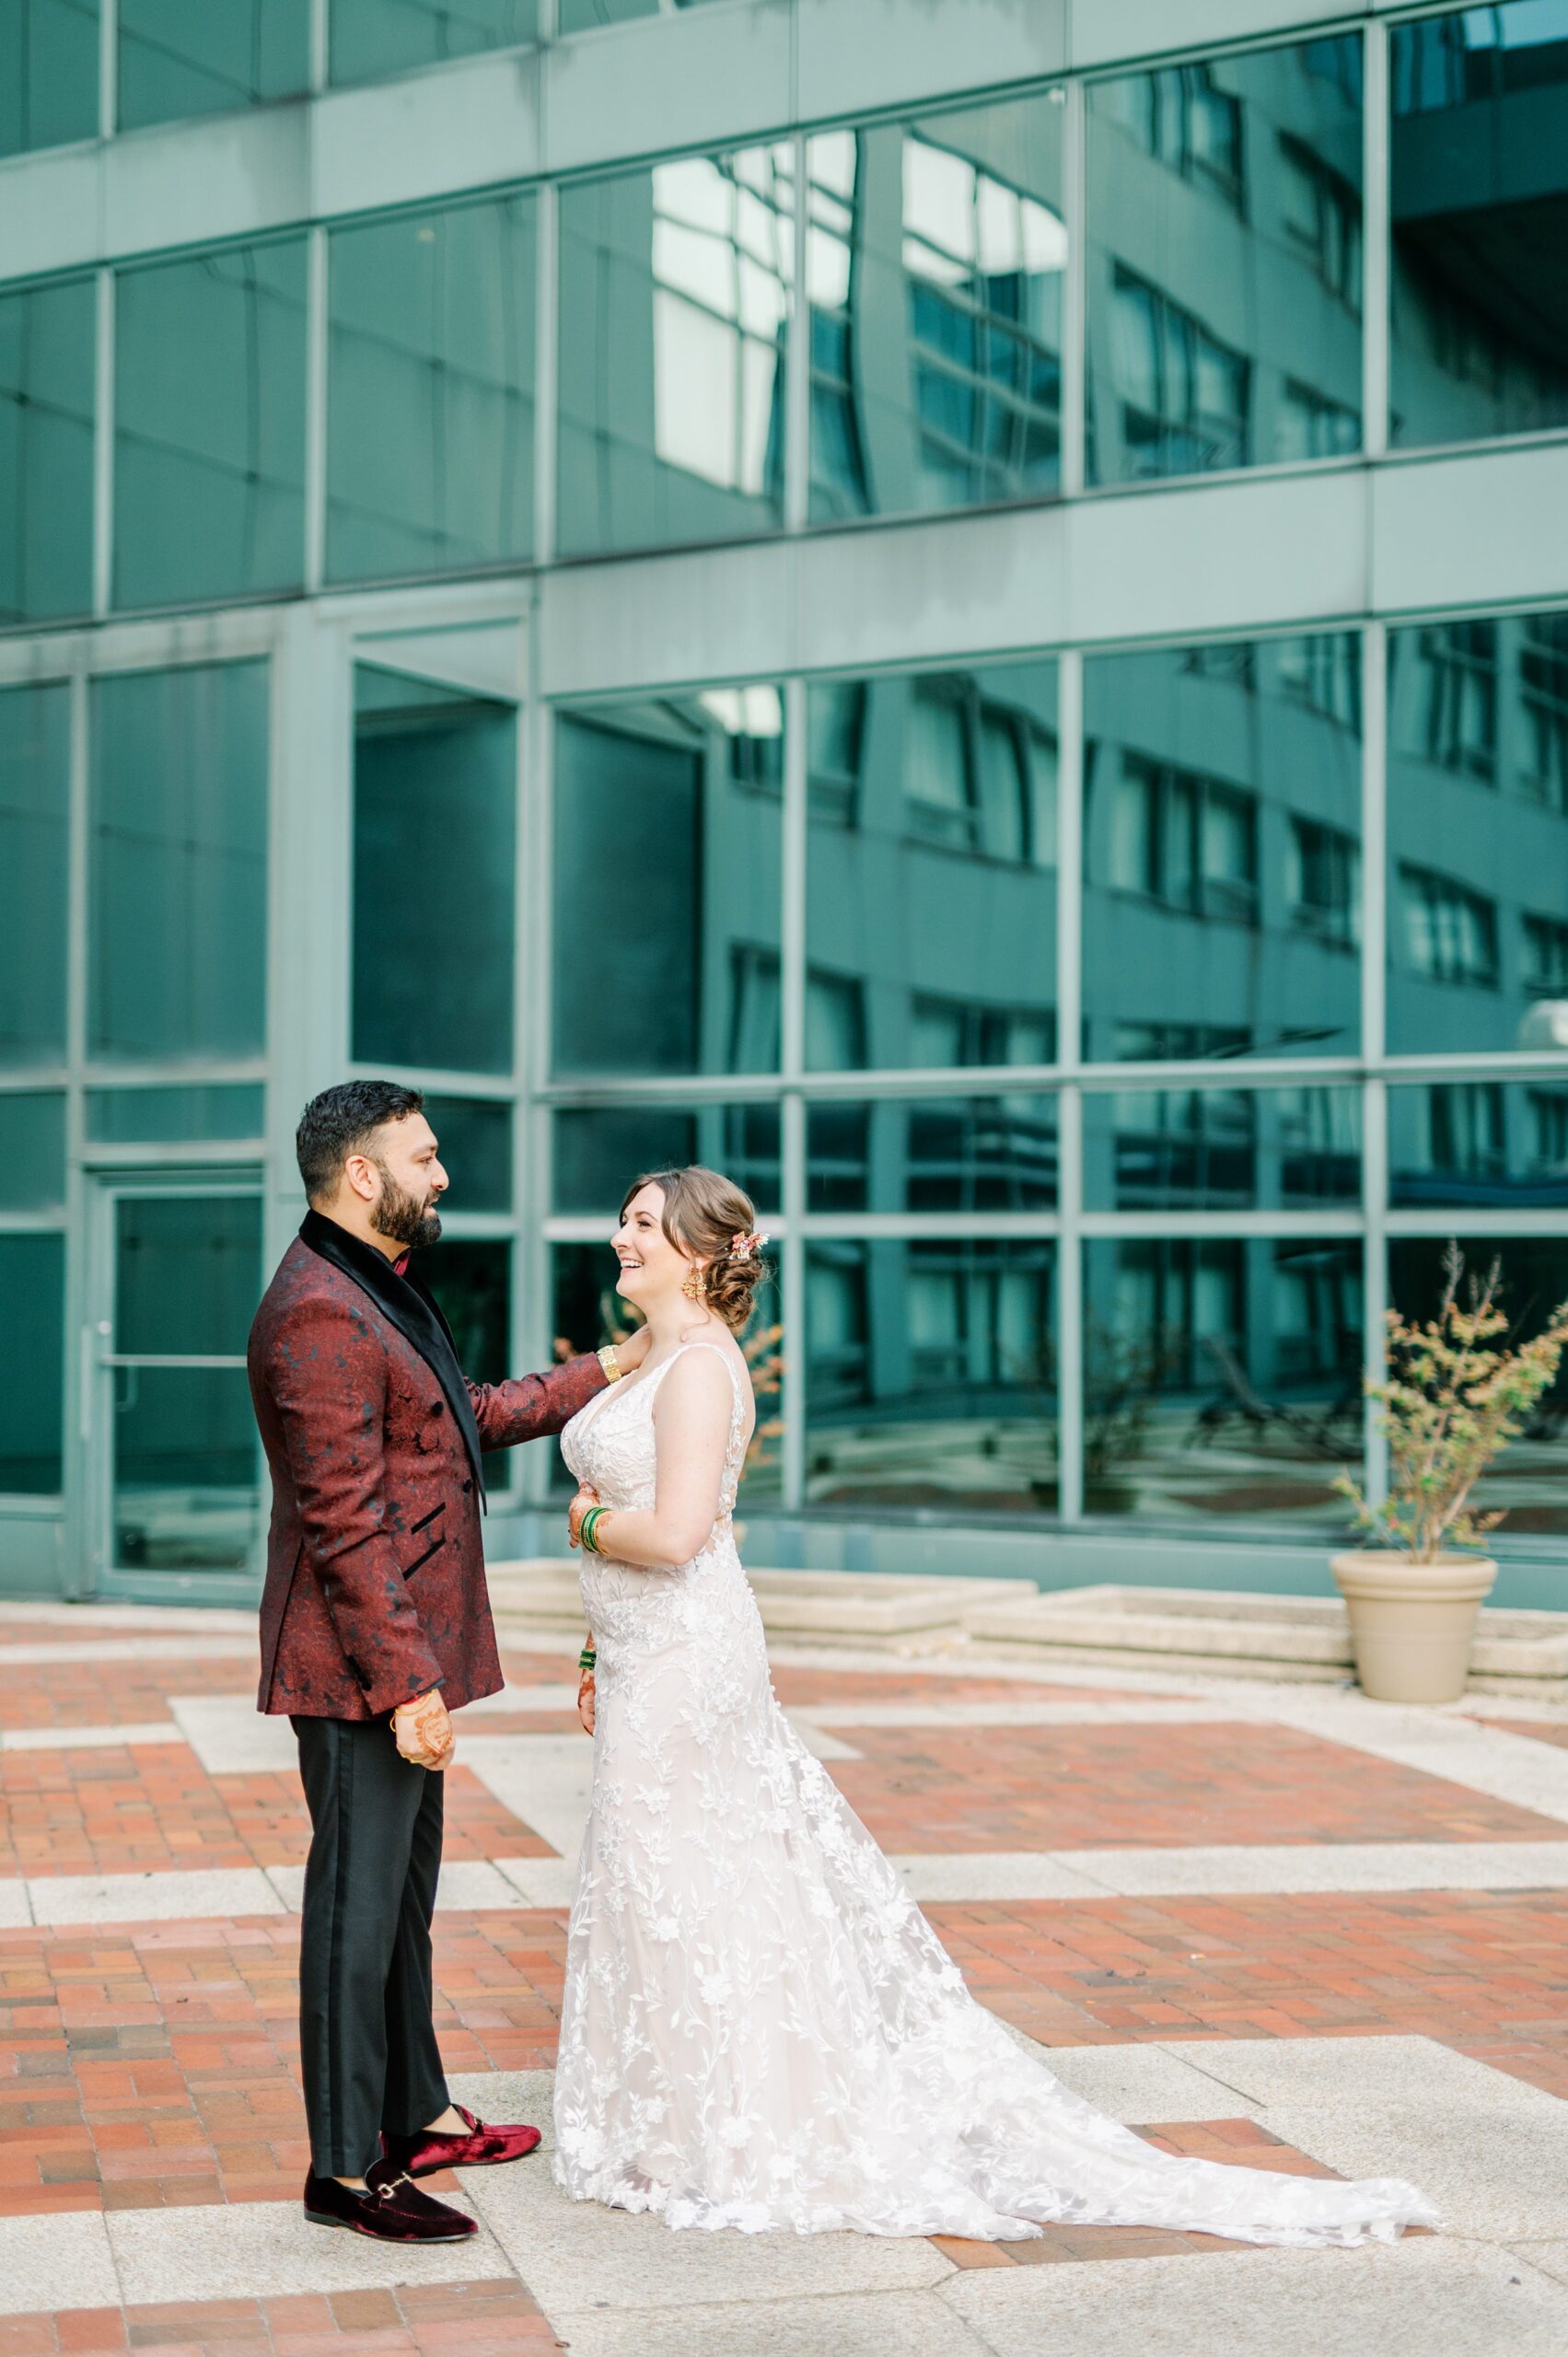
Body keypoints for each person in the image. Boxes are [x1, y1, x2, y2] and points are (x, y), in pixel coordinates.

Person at [553, 1163, 1438, 2246]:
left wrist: (586, 1526)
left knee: (694, 1880)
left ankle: (741, 2133)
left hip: (690, 1658)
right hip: (647, 1655)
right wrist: (599, 1647)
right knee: (662, 1879)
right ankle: (681, 2120)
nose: (618, 1238)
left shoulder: (696, 1370)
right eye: (623, 1219)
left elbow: (678, 1532)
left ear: (696, 1250)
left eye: (641, 1224)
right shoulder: (653, 1348)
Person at [249, 1080, 650, 2243]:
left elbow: (458, 1416)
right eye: (424, 1157)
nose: (443, 1174)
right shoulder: (320, 1310)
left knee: (402, 1904)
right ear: (362, 1175)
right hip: (358, 1668)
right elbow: (344, 1521)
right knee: (355, 1910)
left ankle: (415, 2110)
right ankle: (343, 2166)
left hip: (394, 1654)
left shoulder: (374, 1285)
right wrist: (407, 1687)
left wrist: (605, 1370)